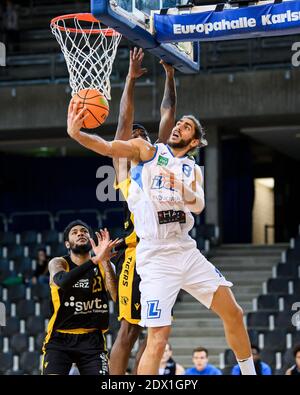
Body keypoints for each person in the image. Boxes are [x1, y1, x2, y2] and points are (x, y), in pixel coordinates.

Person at [67, 80, 256, 377]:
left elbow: (198, 205)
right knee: (157, 337)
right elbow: (109, 147)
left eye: (187, 127)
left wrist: (178, 185)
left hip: (185, 249)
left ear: (194, 142)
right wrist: (76, 134)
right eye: (179, 123)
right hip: (155, 256)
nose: (180, 126)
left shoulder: (191, 169)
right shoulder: (149, 151)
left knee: (233, 312)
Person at [109, 47, 177, 375]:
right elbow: (123, 121)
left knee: (152, 333)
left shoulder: (158, 158)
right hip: (137, 255)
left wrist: (169, 75)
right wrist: (130, 79)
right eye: (131, 138)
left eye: (141, 136)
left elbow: (168, 113)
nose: (135, 140)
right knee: (129, 330)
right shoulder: (123, 170)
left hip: (163, 253)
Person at [42, 220, 119, 375]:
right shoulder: (58, 263)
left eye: (84, 231)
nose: (80, 233)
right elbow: (63, 282)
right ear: (67, 244)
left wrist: (104, 261)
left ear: (91, 240)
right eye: (75, 232)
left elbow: (116, 296)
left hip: (92, 340)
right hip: (59, 338)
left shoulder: (103, 265)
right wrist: (95, 260)